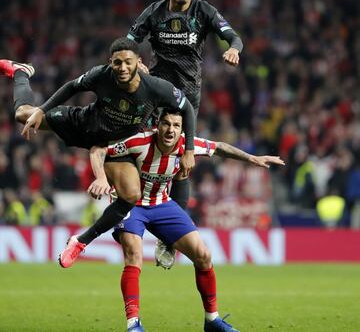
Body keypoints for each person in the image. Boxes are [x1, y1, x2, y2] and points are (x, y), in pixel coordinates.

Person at [60, 109, 284, 332]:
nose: (171, 130)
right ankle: (133, 324)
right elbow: (98, 149)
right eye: (166, 124)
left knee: (203, 255)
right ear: (158, 125)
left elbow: (219, 147)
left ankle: (212, 320)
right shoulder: (140, 142)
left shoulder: (187, 145)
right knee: (134, 255)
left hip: (162, 204)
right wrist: (101, 176)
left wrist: (252, 158)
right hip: (131, 205)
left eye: (176, 125)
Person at [0, 38, 196, 256]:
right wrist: (41, 110)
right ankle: (21, 72)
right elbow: (72, 87)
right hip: (83, 124)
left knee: (131, 194)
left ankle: (84, 241)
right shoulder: (101, 75)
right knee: (22, 114)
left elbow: (186, 108)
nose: (122, 68)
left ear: (138, 62)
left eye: (128, 62)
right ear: (110, 62)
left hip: (113, 145)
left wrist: (188, 151)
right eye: (117, 62)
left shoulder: (156, 88)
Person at [127, 0, 244, 265]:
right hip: (156, 90)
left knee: (180, 159)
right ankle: (128, 208)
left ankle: (169, 239)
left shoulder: (204, 11)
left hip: (187, 97)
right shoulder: (153, 12)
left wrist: (233, 50)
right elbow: (130, 40)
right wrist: (133, 60)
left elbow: (234, 37)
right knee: (138, 146)